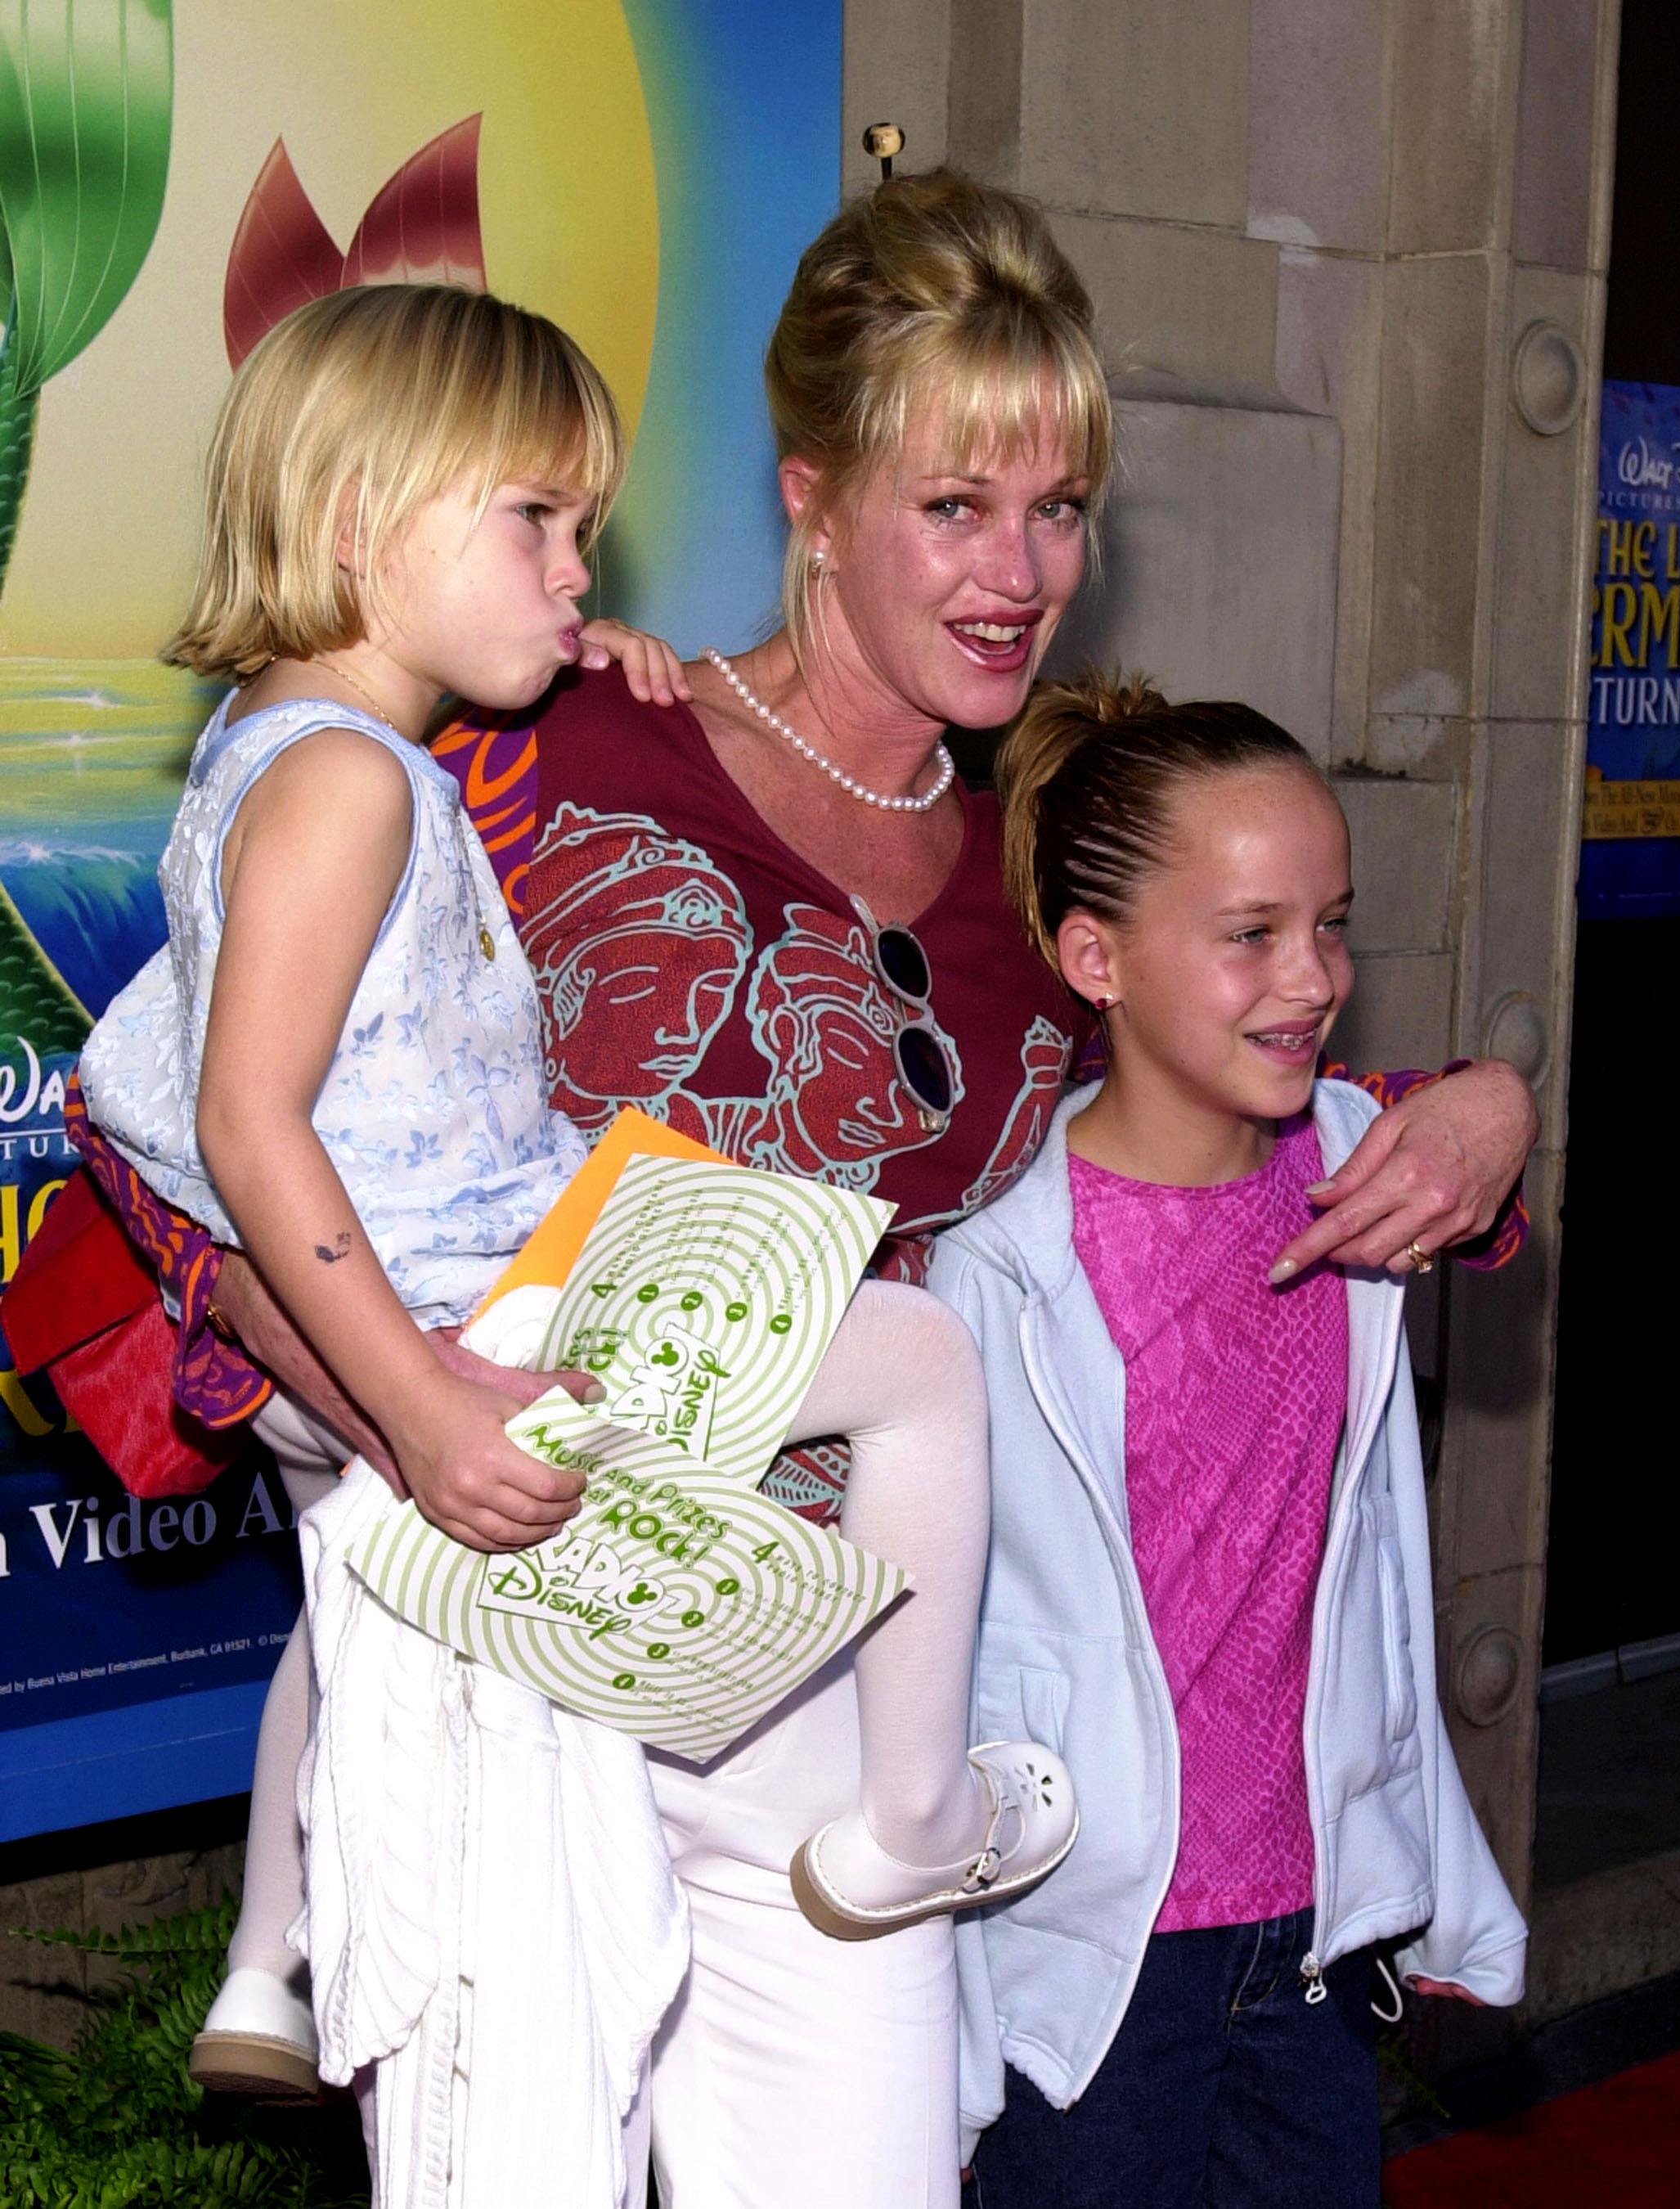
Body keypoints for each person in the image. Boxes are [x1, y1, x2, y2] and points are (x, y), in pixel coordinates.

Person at [20, 171, 1540, 2209]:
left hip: (838, 1687)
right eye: (956, 507)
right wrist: (398, 1409)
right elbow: (200, 1117)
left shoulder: (1037, 862)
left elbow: (1225, 1079)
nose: (1023, 572)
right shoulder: (536, 737)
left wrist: (1478, 1110)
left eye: (1063, 508)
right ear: (813, 498)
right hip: (517, 1612)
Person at [74, 279, 1073, 2139]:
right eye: (535, 522)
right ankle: (924, 1813)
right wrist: (418, 1396)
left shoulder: (288, 748)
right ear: (368, 524)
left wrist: (557, 636)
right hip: (504, 1334)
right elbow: (236, 1120)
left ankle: (269, 1957)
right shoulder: (352, 789)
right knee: (921, 1363)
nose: (573, 568)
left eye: (585, 530)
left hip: (535, 1384)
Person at [933, 674, 1527, 2209]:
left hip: (1315, 1929)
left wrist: (1498, 1095)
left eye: (1331, 923)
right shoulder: (993, 1265)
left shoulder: (1361, 1170)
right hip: (1090, 1954)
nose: (1311, 975)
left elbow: (1486, 1157)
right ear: (1095, 957)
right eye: (1250, 933)